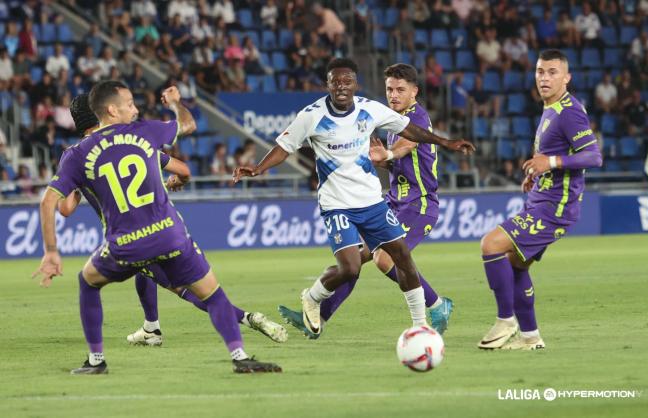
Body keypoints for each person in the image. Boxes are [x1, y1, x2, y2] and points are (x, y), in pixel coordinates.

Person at [34, 81, 281, 374]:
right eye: (129, 103)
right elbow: (187, 128)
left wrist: (51, 252)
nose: (135, 108)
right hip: (169, 233)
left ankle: (97, 361)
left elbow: (54, 204)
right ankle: (239, 356)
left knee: (89, 281)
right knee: (210, 293)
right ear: (111, 110)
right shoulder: (144, 133)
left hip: (125, 242)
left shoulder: (76, 155)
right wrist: (176, 102)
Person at [233, 58, 474, 338]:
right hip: (387, 200)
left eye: (399, 90)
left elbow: (412, 140)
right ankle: (318, 313)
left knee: (386, 259)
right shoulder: (323, 115)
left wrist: (402, 152)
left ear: (414, 92)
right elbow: (285, 145)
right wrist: (383, 161)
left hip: (418, 203)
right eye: (389, 89)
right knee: (355, 263)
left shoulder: (412, 115)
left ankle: (434, 307)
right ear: (328, 84)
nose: (393, 95)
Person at [478, 49, 602, 350]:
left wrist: (552, 164)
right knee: (516, 263)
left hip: (555, 208)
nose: (544, 78)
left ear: (567, 77)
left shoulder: (569, 111)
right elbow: (551, 156)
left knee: (491, 245)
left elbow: (594, 156)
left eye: (552, 72)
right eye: (540, 71)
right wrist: (538, 173)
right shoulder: (551, 107)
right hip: (541, 198)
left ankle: (506, 320)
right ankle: (531, 337)